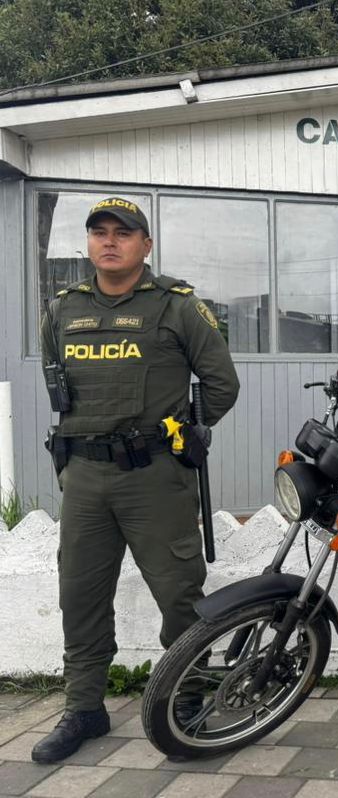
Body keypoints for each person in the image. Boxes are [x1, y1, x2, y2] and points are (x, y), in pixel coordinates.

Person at [32, 197, 240, 764]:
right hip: (84, 477)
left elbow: (221, 385)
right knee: (80, 596)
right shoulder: (63, 310)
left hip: (154, 476)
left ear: (145, 245)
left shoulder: (178, 307)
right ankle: (84, 709)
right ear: (88, 243)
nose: (109, 241)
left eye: (123, 233)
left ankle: (185, 699)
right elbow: (58, 385)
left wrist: (181, 438)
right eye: (99, 232)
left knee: (179, 594)